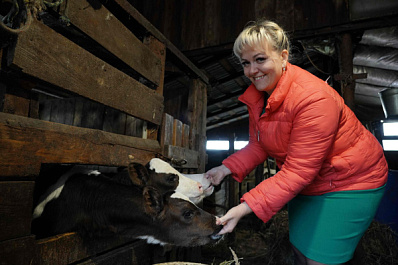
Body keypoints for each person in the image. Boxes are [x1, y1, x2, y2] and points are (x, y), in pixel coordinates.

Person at [205, 19, 388, 265]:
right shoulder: (259, 97)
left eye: (260, 59)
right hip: (309, 181)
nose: (252, 70)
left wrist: (244, 207)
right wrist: (224, 169)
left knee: (319, 260)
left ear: (283, 56)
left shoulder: (313, 99)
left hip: (351, 181)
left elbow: (298, 170)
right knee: (300, 249)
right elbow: (259, 145)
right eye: (246, 63)